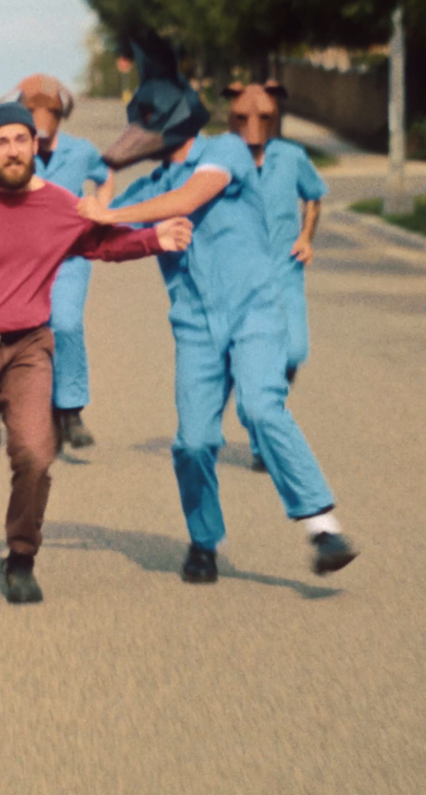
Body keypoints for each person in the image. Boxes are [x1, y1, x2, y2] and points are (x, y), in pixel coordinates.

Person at [81, 42, 358, 582]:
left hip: (255, 312)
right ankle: (203, 541)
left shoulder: (225, 152)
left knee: (261, 407)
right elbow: (99, 239)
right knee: (193, 442)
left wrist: (112, 212)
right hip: (194, 327)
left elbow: (188, 200)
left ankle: (323, 527)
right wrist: (81, 219)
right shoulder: (148, 186)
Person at [0, 102, 192, 604]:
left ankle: (21, 557)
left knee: (35, 452)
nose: (13, 150)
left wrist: (154, 239)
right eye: (1, 142)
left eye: (20, 139)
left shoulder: (60, 205)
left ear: (36, 144)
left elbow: (102, 243)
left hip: (29, 346)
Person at [1, 74, 113, 452]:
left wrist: (101, 206)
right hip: (21, 263)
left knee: (65, 325)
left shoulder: (81, 151)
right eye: (33, 113)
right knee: (27, 334)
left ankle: (70, 411)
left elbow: (105, 175)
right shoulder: (10, 151)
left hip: (70, 257)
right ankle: (32, 410)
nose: (42, 120)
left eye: (50, 112)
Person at [226, 83, 327, 473]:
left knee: (294, 351)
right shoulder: (222, 157)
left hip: (286, 270)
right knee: (254, 360)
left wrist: (305, 236)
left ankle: (264, 406)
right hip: (240, 278)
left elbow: (314, 196)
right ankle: (261, 440)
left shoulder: (292, 156)